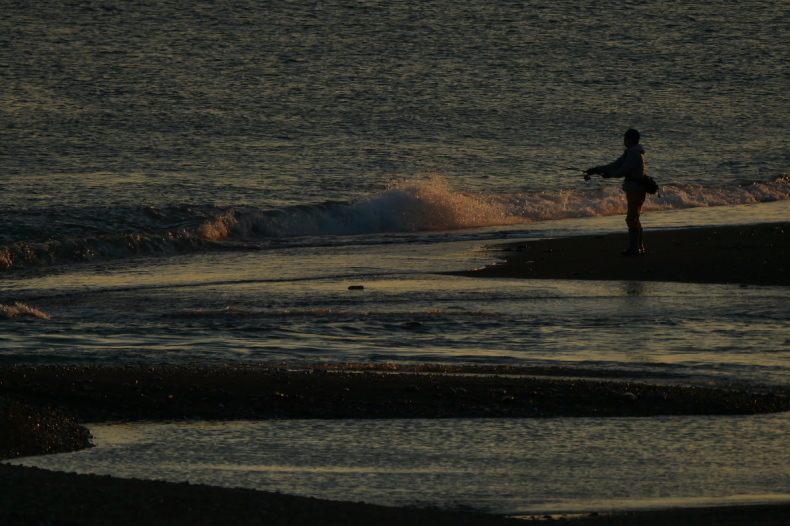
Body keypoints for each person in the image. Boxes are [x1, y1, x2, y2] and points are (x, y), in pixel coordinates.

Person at [585, 129, 647, 255]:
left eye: (625, 138)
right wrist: (595, 170)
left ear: (631, 140)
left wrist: (608, 175)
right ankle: (639, 247)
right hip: (634, 189)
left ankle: (635, 248)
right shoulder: (630, 153)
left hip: (636, 189)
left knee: (631, 218)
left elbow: (622, 171)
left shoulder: (634, 155)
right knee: (634, 218)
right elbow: (613, 165)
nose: (623, 140)